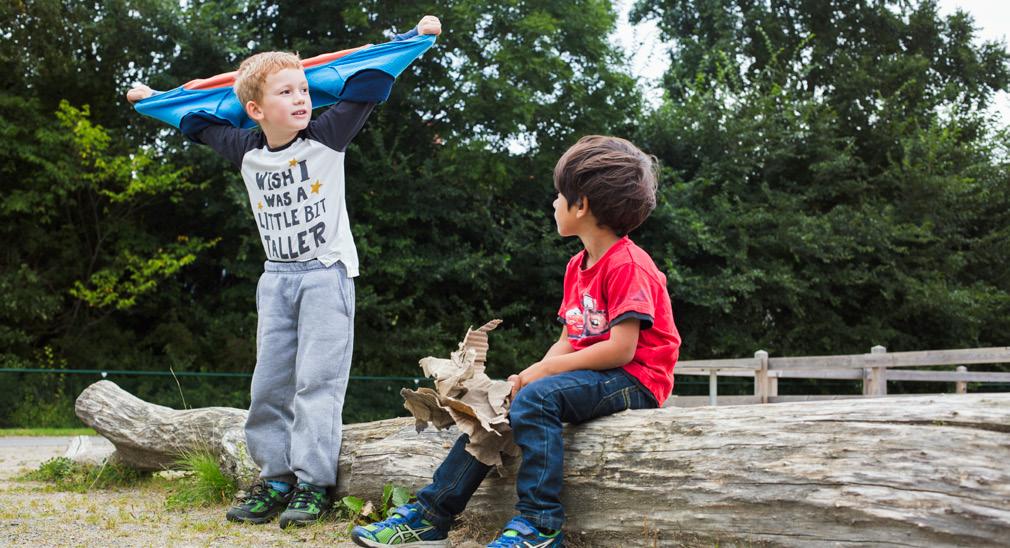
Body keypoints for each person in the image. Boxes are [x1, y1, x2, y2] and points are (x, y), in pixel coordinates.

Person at [126, 15, 442, 528]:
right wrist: (152, 100)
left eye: (304, 89)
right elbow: (193, 120)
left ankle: (314, 484)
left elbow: (369, 81)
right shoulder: (245, 148)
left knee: (317, 384)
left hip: (326, 276)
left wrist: (418, 40)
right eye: (286, 92)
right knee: (269, 384)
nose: (301, 99)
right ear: (254, 110)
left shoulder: (328, 134)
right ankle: (275, 477)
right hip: (275, 281)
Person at [351, 135, 681, 547]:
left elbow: (622, 349)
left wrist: (545, 374)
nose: (554, 203)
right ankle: (431, 514)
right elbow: (569, 338)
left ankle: (540, 525)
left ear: (582, 206)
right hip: (597, 374)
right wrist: (527, 377)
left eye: (560, 195)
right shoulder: (577, 266)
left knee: (539, 398)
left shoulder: (628, 264)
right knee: (501, 406)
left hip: (636, 379)